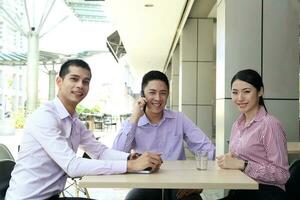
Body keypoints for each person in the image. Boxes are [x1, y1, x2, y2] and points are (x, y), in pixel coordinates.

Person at [5, 59, 162, 200]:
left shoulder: (75, 122)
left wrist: (130, 158)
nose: (80, 85)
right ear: (59, 81)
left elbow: (100, 152)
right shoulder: (44, 117)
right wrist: (131, 166)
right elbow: (72, 166)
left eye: (85, 81)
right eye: (74, 79)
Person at [113, 70, 215, 200]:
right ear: (142, 95)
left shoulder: (179, 118)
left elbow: (206, 148)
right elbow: (116, 154)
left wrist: (199, 181)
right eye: (152, 92)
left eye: (163, 93)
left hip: (178, 182)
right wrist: (134, 118)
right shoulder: (133, 121)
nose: (158, 98)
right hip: (146, 183)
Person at [216, 69, 290, 200]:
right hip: (242, 191)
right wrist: (229, 159)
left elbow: (282, 174)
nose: (240, 98)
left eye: (246, 91)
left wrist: (243, 164)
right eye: (235, 92)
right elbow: (239, 157)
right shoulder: (236, 125)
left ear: (260, 92)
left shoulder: (270, 124)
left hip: (266, 193)